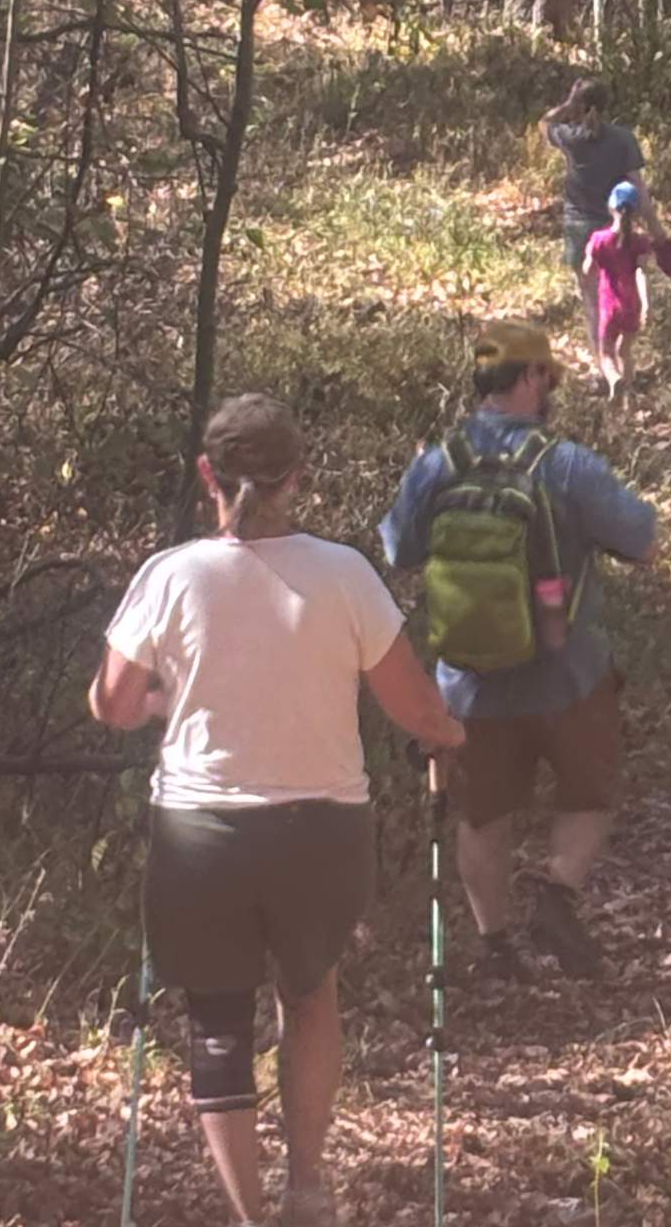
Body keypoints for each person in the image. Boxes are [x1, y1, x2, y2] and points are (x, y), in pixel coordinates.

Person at [89, 394, 465, 1227]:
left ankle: (252, 1218)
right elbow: (414, 706)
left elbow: (113, 705)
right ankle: (307, 1190)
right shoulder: (346, 574)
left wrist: (162, 701)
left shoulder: (170, 576)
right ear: (299, 476)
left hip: (199, 832)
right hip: (321, 833)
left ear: (206, 477)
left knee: (217, 1021)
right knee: (311, 992)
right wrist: (449, 734)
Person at [381, 320, 657, 982]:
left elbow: (397, 549)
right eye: (547, 376)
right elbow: (643, 538)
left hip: (468, 683)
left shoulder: (437, 464)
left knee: (483, 811)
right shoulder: (564, 464)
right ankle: (557, 894)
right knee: (589, 795)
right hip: (569, 672)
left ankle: (496, 945)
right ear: (531, 378)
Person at [541, 78, 665, 358]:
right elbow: (638, 187)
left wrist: (567, 106)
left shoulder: (571, 137)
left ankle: (603, 364)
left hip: (579, 225)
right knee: (620, 292)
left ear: (581, 105)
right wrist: (655, 228)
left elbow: (544, 124)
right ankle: (622, 357)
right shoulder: (623, 139)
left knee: (591, 299)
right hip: (618, 225)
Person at [583, 180, 671, 403]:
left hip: (609, 304)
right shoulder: (640, 241)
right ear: (636, 211)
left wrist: (590, 256)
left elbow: (588, 269)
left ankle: (614, 379)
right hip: (632, 304)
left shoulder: (599, 239)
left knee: (606, 353)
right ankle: (626, 400)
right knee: (624, 352)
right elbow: (641, 272)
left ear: (610, 208)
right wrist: (647, 304)